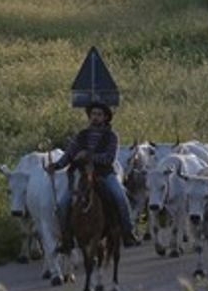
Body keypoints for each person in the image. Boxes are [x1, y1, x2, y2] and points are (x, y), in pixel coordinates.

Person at [46, 101, 140, 252]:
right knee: (63, 204)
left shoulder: (111, 136)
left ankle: (128, 232)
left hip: (104, 174)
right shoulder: (82, 135)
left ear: (105, 118)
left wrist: (88, 155)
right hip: (81, 175)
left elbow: (109, 158)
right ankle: (66, 239)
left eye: (99, 115)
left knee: (120, 197)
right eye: (93, 114)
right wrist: (56, 166)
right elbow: (69, 154)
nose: (95, 117)